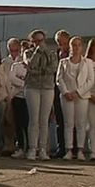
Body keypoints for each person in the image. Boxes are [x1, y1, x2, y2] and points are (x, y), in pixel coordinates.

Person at [57, 36, 94, 161]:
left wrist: (78, 92)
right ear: (70, 47)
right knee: (68, 123)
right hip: (67, 96)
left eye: (79, 45)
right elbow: (59, 79)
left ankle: (80, 150)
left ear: (82, 47)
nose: (76, 47)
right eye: (74, 45)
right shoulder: (63, 62)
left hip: (81, 96)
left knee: (81, 124)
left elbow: (90, 80)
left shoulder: (88, 62)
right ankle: (68, 149)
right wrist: (66, 92)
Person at [24, 29, 59, 161]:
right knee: (34, 119)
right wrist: (37, 53)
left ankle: (43, 149)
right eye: (36, 41)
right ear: (32, 42)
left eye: (41, 40)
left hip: (48, 87)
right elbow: (30, 65)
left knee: (44, 120)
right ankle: (32, 148)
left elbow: (53, 68)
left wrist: (39, 70)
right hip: (32, 87)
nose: (39, 43)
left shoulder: (51, 52)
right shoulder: (28, 53)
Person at [53, 29, 70, 158]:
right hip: (57, 90)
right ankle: (61, 148)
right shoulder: (55, 55)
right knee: (60, 121)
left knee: (71, 122)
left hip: (71, 91)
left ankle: (72, 148)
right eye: (58, 42)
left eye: (63, 42)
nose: (61, 45)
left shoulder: (73, 55)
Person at [9, 54, 28, 159]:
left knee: (28, 124)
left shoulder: (34, 67)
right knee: (18, 124)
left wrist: (22, 83)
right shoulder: (16, 66)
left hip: (30, 98)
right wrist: (24, 84)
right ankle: (20, 147)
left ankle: (30, 147)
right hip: (17, 97)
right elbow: (12, 78)